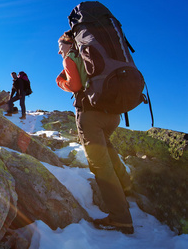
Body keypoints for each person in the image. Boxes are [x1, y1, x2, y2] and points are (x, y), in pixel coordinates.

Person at [56, 31, 134, 234]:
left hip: (90, 115)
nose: (59, 51)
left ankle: (121, 218)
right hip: (113, 114)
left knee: (100, 165)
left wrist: (60, 82)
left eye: (60, 46)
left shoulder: (71, 57)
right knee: (107, 147)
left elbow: (75, 85)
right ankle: (126, 187)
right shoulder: (93, 53)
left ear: (68, 43)